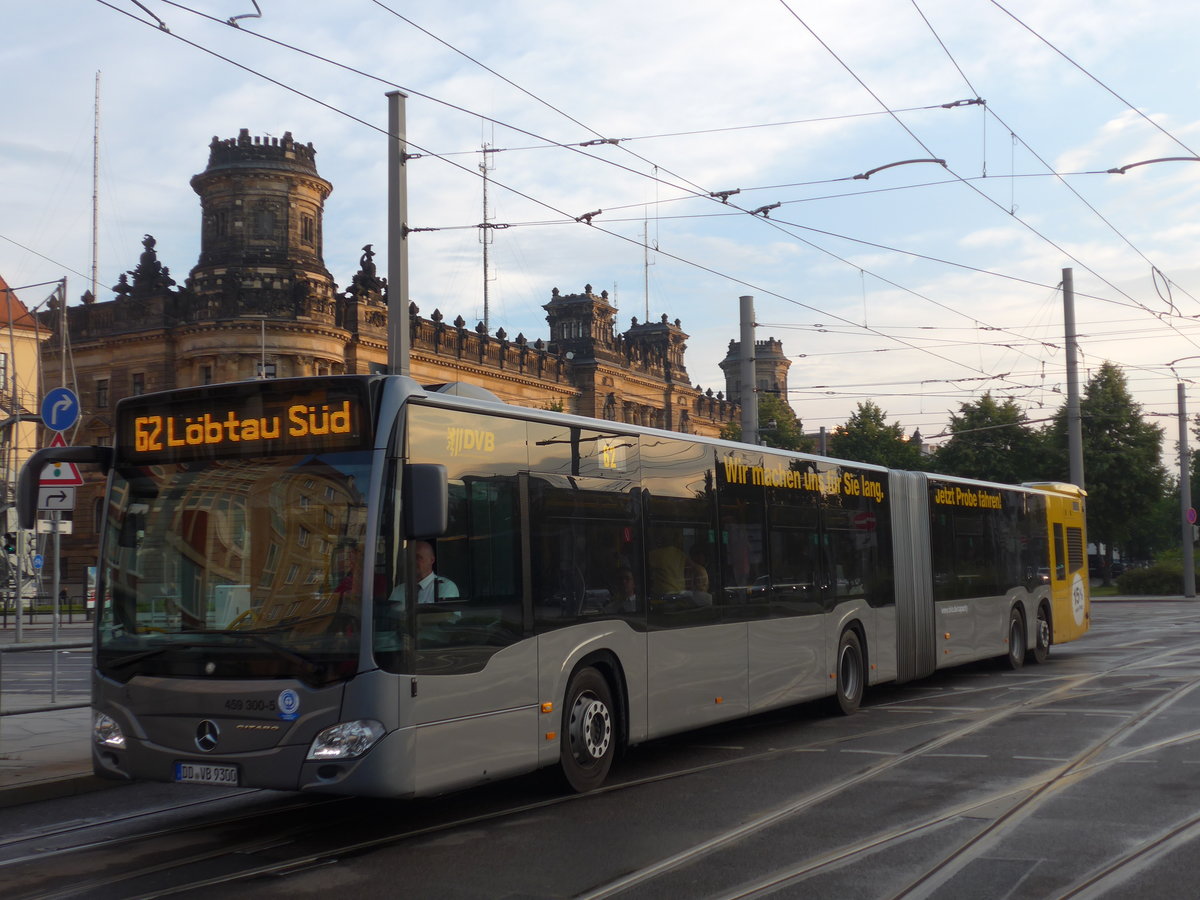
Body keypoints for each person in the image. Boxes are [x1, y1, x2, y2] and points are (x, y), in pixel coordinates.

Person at [414, 540, 459, 604]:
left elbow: (446, 614)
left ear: (432, 560)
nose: (412, 561)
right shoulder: (398, 590)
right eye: (409, 557)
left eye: (418, 557)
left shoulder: (445, 587)